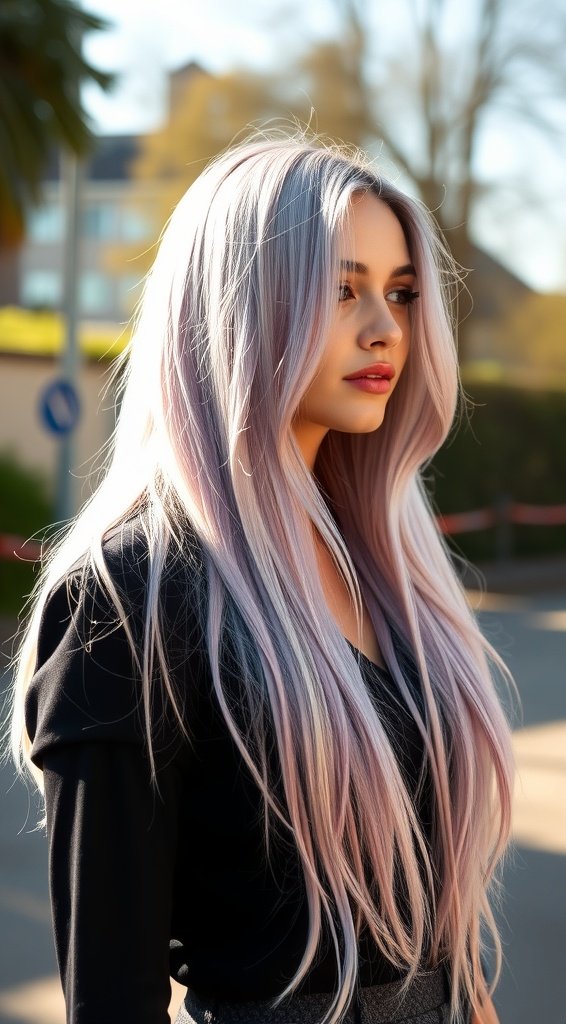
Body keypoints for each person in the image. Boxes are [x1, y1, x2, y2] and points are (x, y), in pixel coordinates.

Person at [8, 132, 516, 1024]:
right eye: (342, 288)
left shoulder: (391, 567)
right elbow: (112, 996)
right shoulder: (129, 594)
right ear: (236, 303)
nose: (386, 328)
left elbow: (446, 934)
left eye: (399, 293)